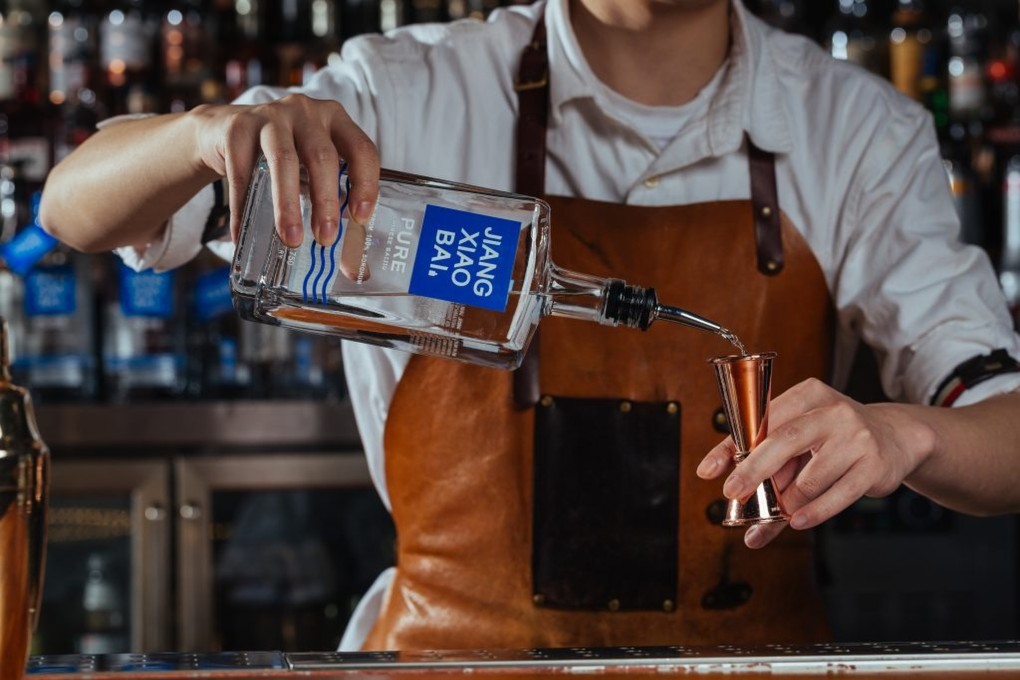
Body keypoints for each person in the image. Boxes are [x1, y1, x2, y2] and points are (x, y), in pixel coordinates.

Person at [40, 0, 1020, 653]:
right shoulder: (401, 90)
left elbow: (1006, 432)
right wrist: (205, 134)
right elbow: (74, 206)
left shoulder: (855, 131)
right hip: (440, 665)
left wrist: (906, 430)